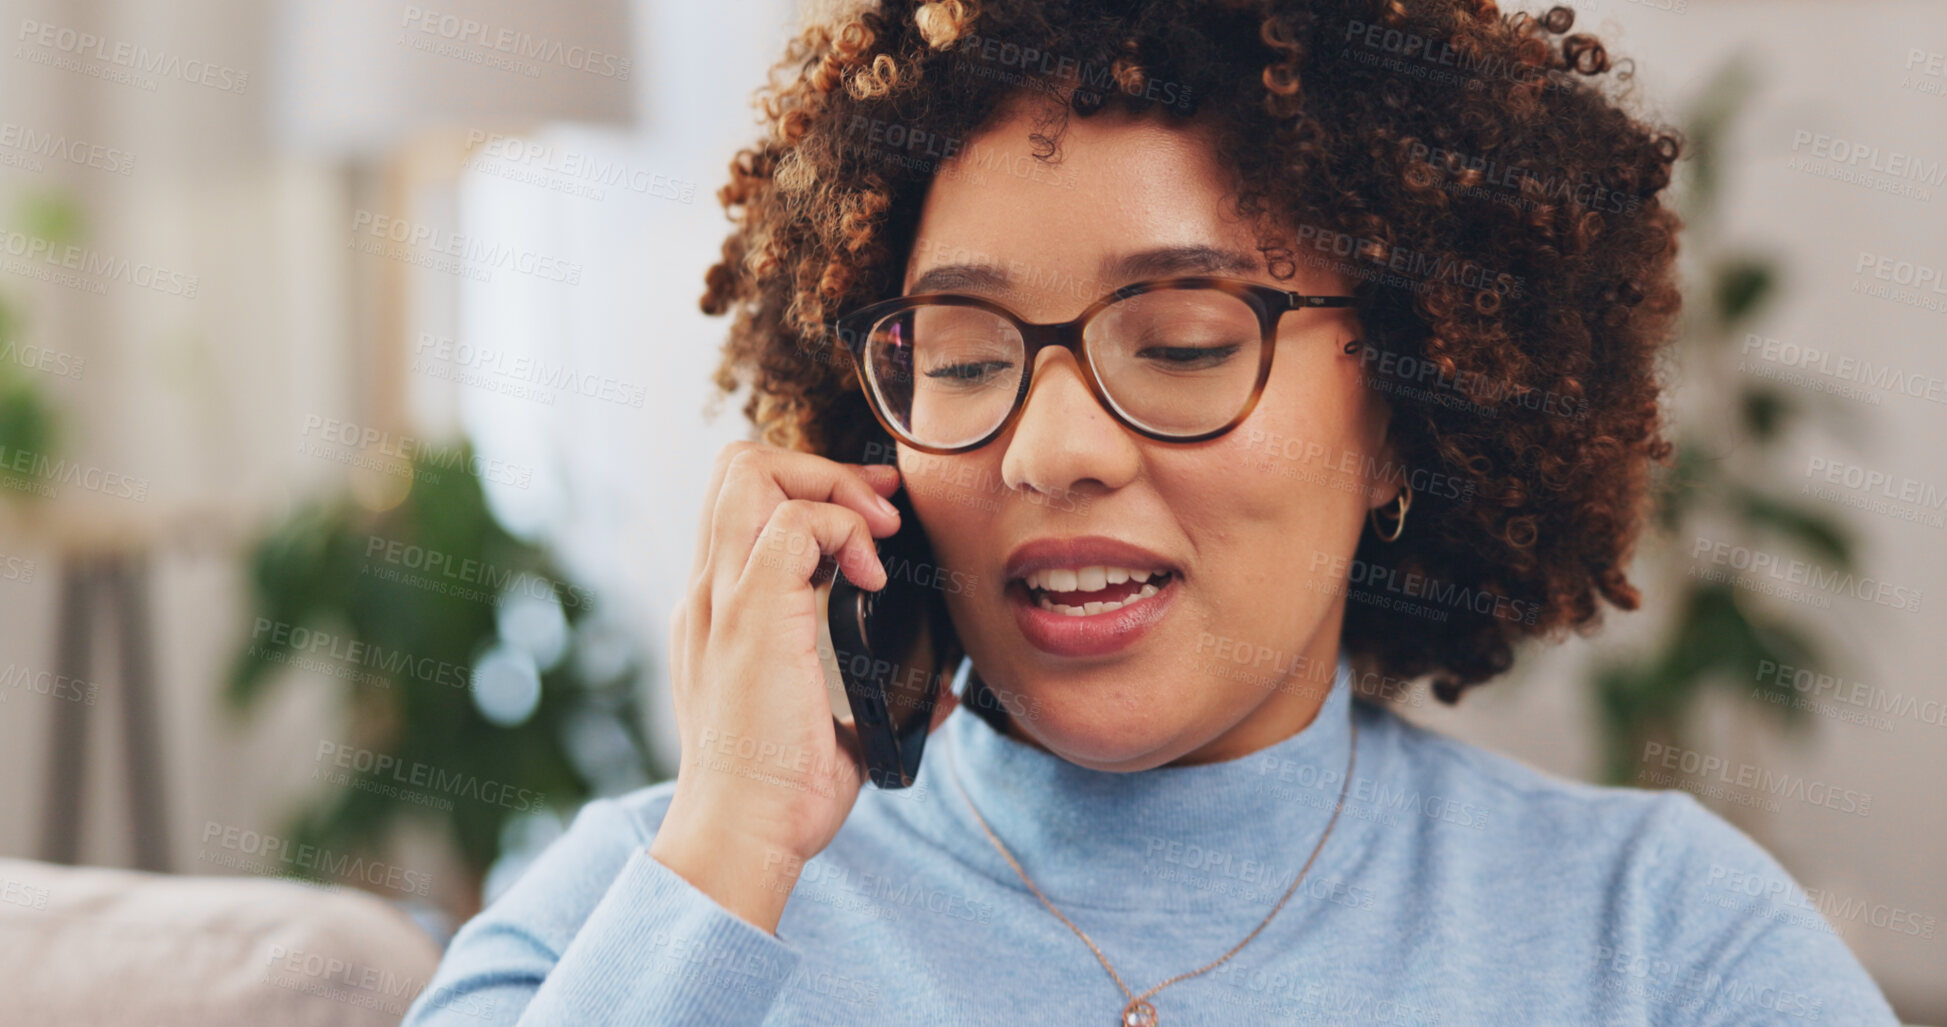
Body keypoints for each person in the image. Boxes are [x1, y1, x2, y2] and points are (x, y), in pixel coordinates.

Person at [405, 1, 1898, 1023]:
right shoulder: (642, 906)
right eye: (970, 357)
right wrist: (731, 845)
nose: (1050, 451)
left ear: (1405, 410)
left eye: (1180, 342)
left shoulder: (1659, 942)